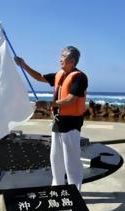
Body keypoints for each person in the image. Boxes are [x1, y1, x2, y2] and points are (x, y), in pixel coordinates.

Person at [15, 46, 88, 191]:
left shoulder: (80, 77)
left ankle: (75, 193)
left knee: (71, 162)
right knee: (56, 160)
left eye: (63, 56)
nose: (60, 59)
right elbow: (40, 77)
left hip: (71, 125)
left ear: (72, 61)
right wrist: (23, 65)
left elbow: (71, 99)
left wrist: (49, 103)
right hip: (58, 123)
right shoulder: (59, 75)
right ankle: (57, 189)